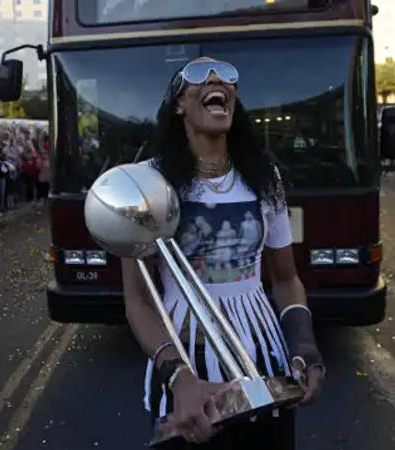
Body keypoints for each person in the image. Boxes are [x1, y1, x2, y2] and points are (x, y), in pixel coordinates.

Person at [121, 58, 324, 449]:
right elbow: (140, 301)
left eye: (227, 75)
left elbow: (284, 278)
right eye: (198, 75)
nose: (216, 79)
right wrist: (179, 378)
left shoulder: (264, 177)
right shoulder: (147, 182)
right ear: (178, 103)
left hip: (266, 362)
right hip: (185, 366)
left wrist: (305, 346)